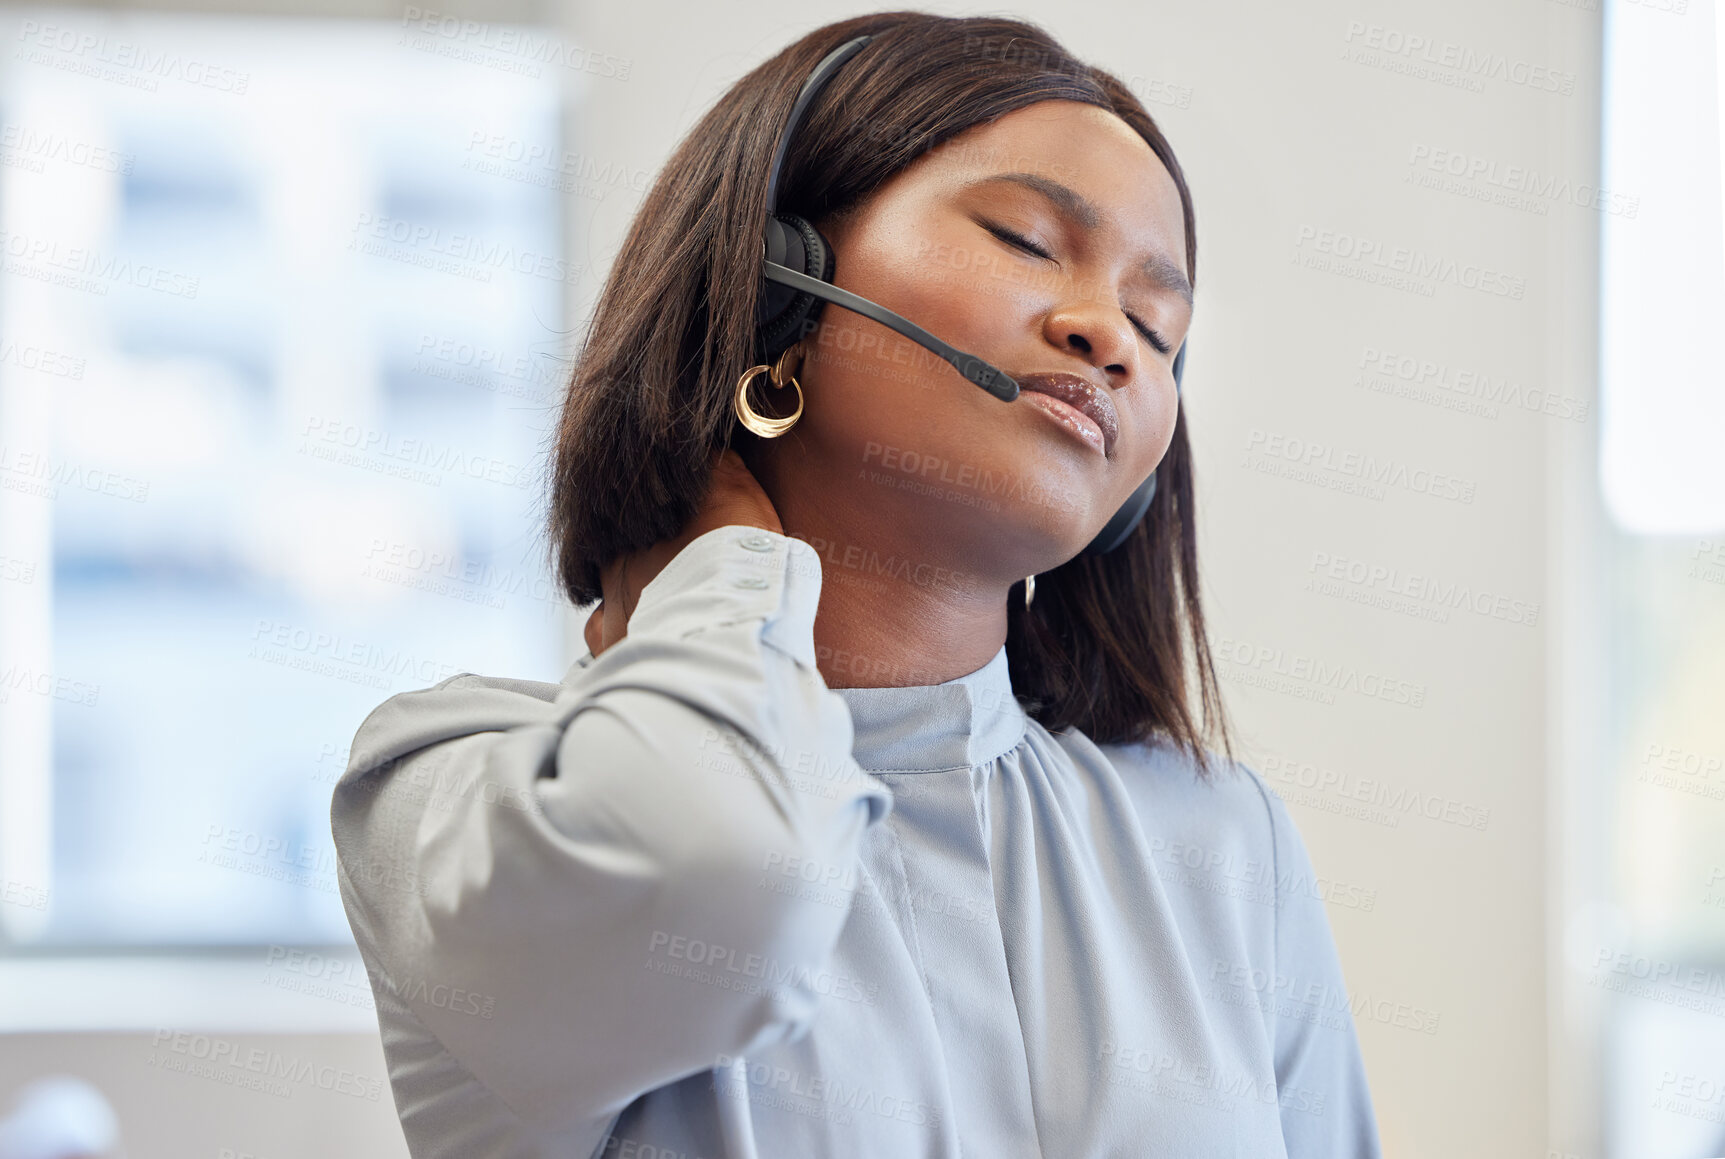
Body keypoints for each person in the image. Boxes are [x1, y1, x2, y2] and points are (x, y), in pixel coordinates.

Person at [331, 11, 1384, 1157]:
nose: (1111, 338)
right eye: (1029, 241)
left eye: (1158, 321)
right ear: (783, 280)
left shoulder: (1217, 841)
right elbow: (721, 870)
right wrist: (730, 569)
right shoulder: (461, 786)